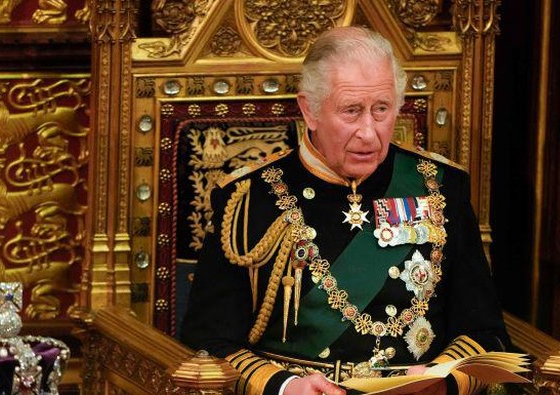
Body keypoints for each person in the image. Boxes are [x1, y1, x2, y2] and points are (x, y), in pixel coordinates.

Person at [181, 26, 510, 395]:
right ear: (310, 110)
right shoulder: (249, 198)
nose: (369, 133)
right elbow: (207, 342)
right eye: (351, 111)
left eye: (381, 109)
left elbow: (485, 333)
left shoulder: (440, 186)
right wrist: (284, 387)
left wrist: (444, 379)